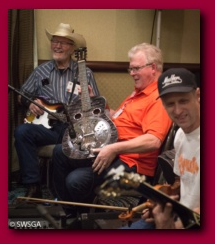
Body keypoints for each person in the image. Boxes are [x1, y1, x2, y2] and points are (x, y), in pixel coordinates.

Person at [51, 43, 172, 208]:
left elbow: (153, 140)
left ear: (152, 67)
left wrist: (114, 149)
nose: (132, 74)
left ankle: (79, 216)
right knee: (60, 152)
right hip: (113, 150)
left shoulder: (157, 98)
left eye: (136, 69)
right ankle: (67, 209)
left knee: (75, 180)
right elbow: (118, 117)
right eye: (130, 69)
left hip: (132, 164)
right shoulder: (138, 93)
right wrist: (96, 102)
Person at [14, 23, 100, 198]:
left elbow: (97, 106)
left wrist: (89, 100)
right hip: (47, 128)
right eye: (55, 41)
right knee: (22, 132)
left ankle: (61, 194)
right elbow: (21, 96)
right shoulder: (40, 71)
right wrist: (29, 103)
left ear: (72, 48)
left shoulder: (84, 72)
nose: (57, 46)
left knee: (66, 147)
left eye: (63, 42)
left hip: (73, 128)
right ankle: (33, 186)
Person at [121, 68, 200, 229]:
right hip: (179, 214)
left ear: (198, 96)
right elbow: (181, 182)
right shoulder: (180, 136)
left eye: (183, 101)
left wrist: (170, 227)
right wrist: (163, 202)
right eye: (170, 104)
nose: (177, 111)